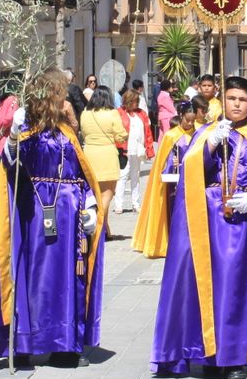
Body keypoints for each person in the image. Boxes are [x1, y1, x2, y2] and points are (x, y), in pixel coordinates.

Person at [153, 76, 247, 378]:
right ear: (224, 99)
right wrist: (209, 147)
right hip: (208, 222)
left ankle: (233, 357)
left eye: (242, 100)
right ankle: (208, 354)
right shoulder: (207, 133)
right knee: (209, 287)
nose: (236, 104)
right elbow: (189, 172)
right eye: (232, 98)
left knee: (237, 290)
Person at [0, 69, 104, 367]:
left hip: (69, 216)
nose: (64, 99)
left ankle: (64, 345)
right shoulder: (27, 133)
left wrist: (90, 206)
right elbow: (11, 166)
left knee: (66, 279)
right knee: (32, 277)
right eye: (60, 92)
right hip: (32, 216)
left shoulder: (68, 134)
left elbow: (82, 174)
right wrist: (12, 138)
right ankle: (24, 341)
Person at [133, 98, 206, 260]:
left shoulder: (198, 133)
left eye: (193, 121)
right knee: (175, 212)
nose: (190, 124)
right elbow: (161, 161)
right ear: (180, 116)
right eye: (187, 120)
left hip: (193, 180)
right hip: (175, 183)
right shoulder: (171, 136)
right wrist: (171, 161)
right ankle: (174, 243)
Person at [80, 86, 127, 234]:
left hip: (89, 153)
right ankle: (97, 223)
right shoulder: (112, 113)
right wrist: (123, 136)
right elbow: (120, 135)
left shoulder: (85, 113)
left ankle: (106, 228)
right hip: (107, 154)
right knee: (107, 193)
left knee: (94, 192)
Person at [114, 88, 155, 215]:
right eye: (134, 101)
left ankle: (136, 203)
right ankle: (118, 205)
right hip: (124, 149)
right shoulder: (119, 113)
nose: (136, 104)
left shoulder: (141, 113)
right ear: (128, 100)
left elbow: (148, 132)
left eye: (137, 101)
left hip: (138, 149)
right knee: (122, 176)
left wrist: (149, 148)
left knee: (135, 176)